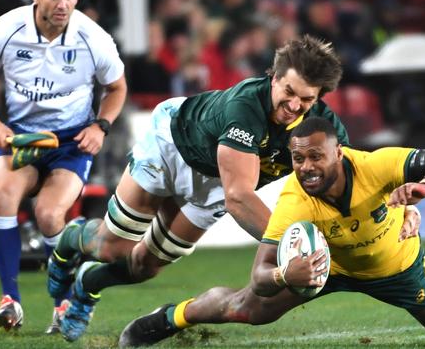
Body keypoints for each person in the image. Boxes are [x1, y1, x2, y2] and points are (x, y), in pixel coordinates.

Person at [48, 35, 357, 342]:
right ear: (274, 78)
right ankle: (69, 241)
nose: (294, 105)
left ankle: (88, 283)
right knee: (112, 248)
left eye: (306, 100)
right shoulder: (245, 108)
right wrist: (289, 245)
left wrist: (399, 204)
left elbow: (355, 177)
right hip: (172, 147)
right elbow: (238, 197)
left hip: (216, 185)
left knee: (145, 266)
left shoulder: (324, 130)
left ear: (319, 98)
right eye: (288, 91)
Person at [118, 116, 425, 348]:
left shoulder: (377, 165)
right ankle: (171, 318)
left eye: (316, 156)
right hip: (325, 266)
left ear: (339, 153)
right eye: (298, 158)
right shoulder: (295, 200)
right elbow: (260, 275)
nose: (306, 168)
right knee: (244, 308)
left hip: (396, 267)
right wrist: (286, 274)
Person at [0, 0, 126, 334]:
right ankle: (10, 301)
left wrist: (101, 126)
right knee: (2, 196)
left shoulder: (93, 37)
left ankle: (64, 302)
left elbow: (117, 87)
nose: (63, 4)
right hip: (21, 138)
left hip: (71, 142)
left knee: (49, 214)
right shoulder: (5, 29)